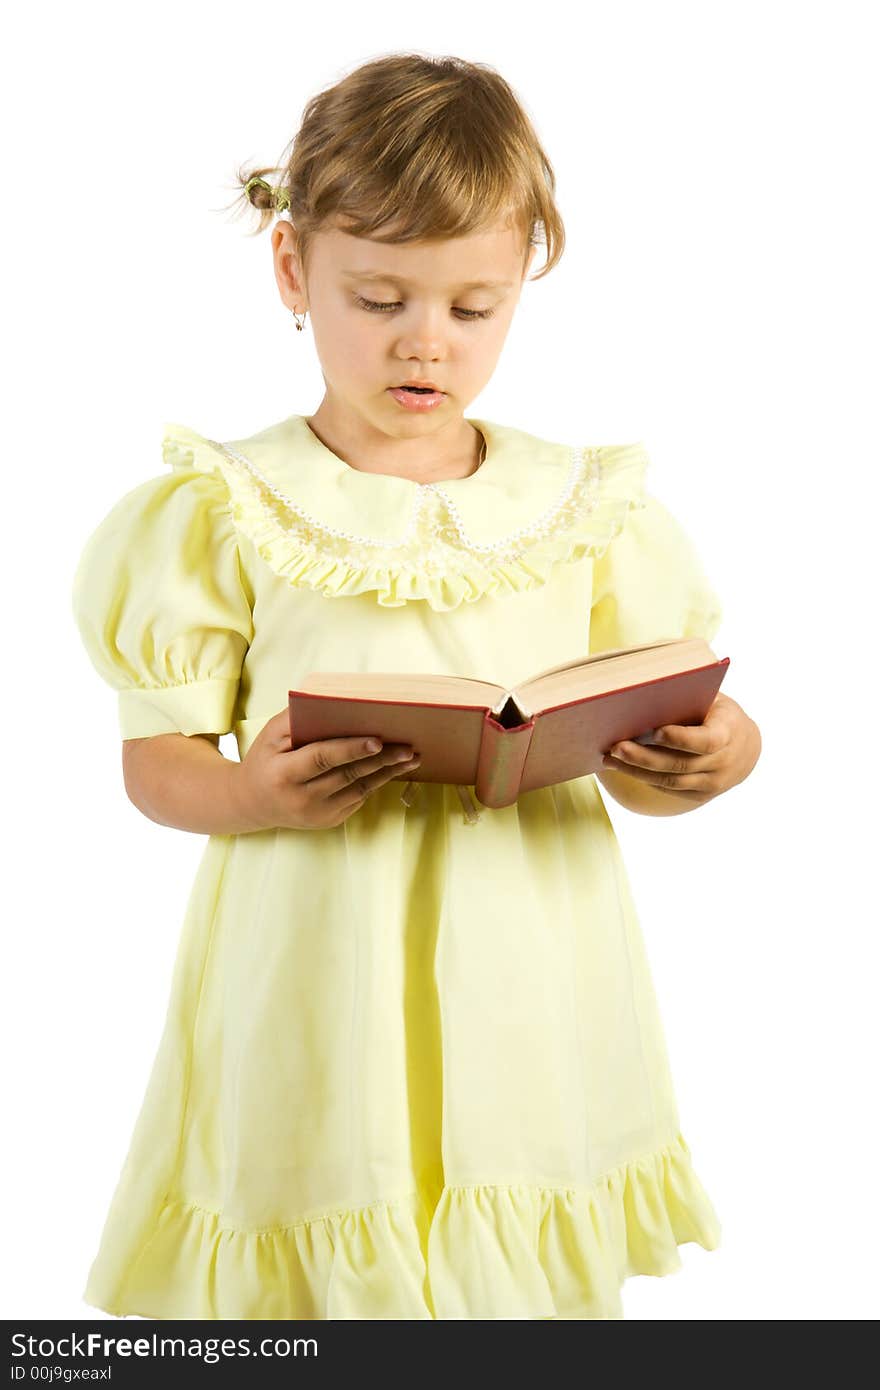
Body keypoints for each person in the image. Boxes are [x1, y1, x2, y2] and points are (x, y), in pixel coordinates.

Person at [70, 52, 761, 1321]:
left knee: (517, 1286)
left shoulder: (583, 507)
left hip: (531, 942)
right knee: (322, 1258)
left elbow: (672, 720)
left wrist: (716, 756)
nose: (423, 345)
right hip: (315, 944)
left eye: (472, 309)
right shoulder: (227, 507)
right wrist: (253, 795)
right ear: (293, 270)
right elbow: (157, 761)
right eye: (378, 298)